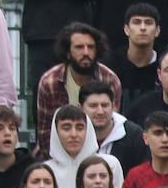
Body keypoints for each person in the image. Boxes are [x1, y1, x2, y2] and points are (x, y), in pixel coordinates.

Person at [33, 23, 121, 160]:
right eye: (79, 47)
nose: (86, 52)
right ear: (67, 52)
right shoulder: (49, 82)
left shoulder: (109, 80)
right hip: (53, 157)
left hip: (99, 157)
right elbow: (45, 135)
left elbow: (110, 130)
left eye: (91, 47)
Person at [107, 2, 161, 107]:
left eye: (148, 23)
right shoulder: (110, 65)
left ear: (157, 30)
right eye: (136, 22)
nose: (142, 28)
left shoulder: (166, 66)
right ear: (126, 29)